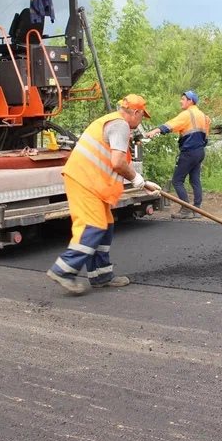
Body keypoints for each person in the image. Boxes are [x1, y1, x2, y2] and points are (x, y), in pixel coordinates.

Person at [46, 94, 160, 294]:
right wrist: (137, 180)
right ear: (135, 112)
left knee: (105, 225)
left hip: (93, 183)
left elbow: (116, 163)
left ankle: (101, 275)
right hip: (84, 181)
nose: (141, 121)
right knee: (93, 226)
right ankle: (63, 270)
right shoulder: (120, 125)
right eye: (142, 116)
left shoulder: (112, 122)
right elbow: (117, 162)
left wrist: (144, 182)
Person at [144, 90, 210, 219]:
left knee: (177, 181)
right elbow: (206, 136)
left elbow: (170, 125)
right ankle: (197, 210)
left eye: (183, 99)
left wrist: (154, 131)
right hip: (200, 151)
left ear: (190, 101)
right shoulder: (203, 116)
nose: (181, 101)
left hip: (189, 152)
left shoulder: (186, 115)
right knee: (195, 180)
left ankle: (186, 209)